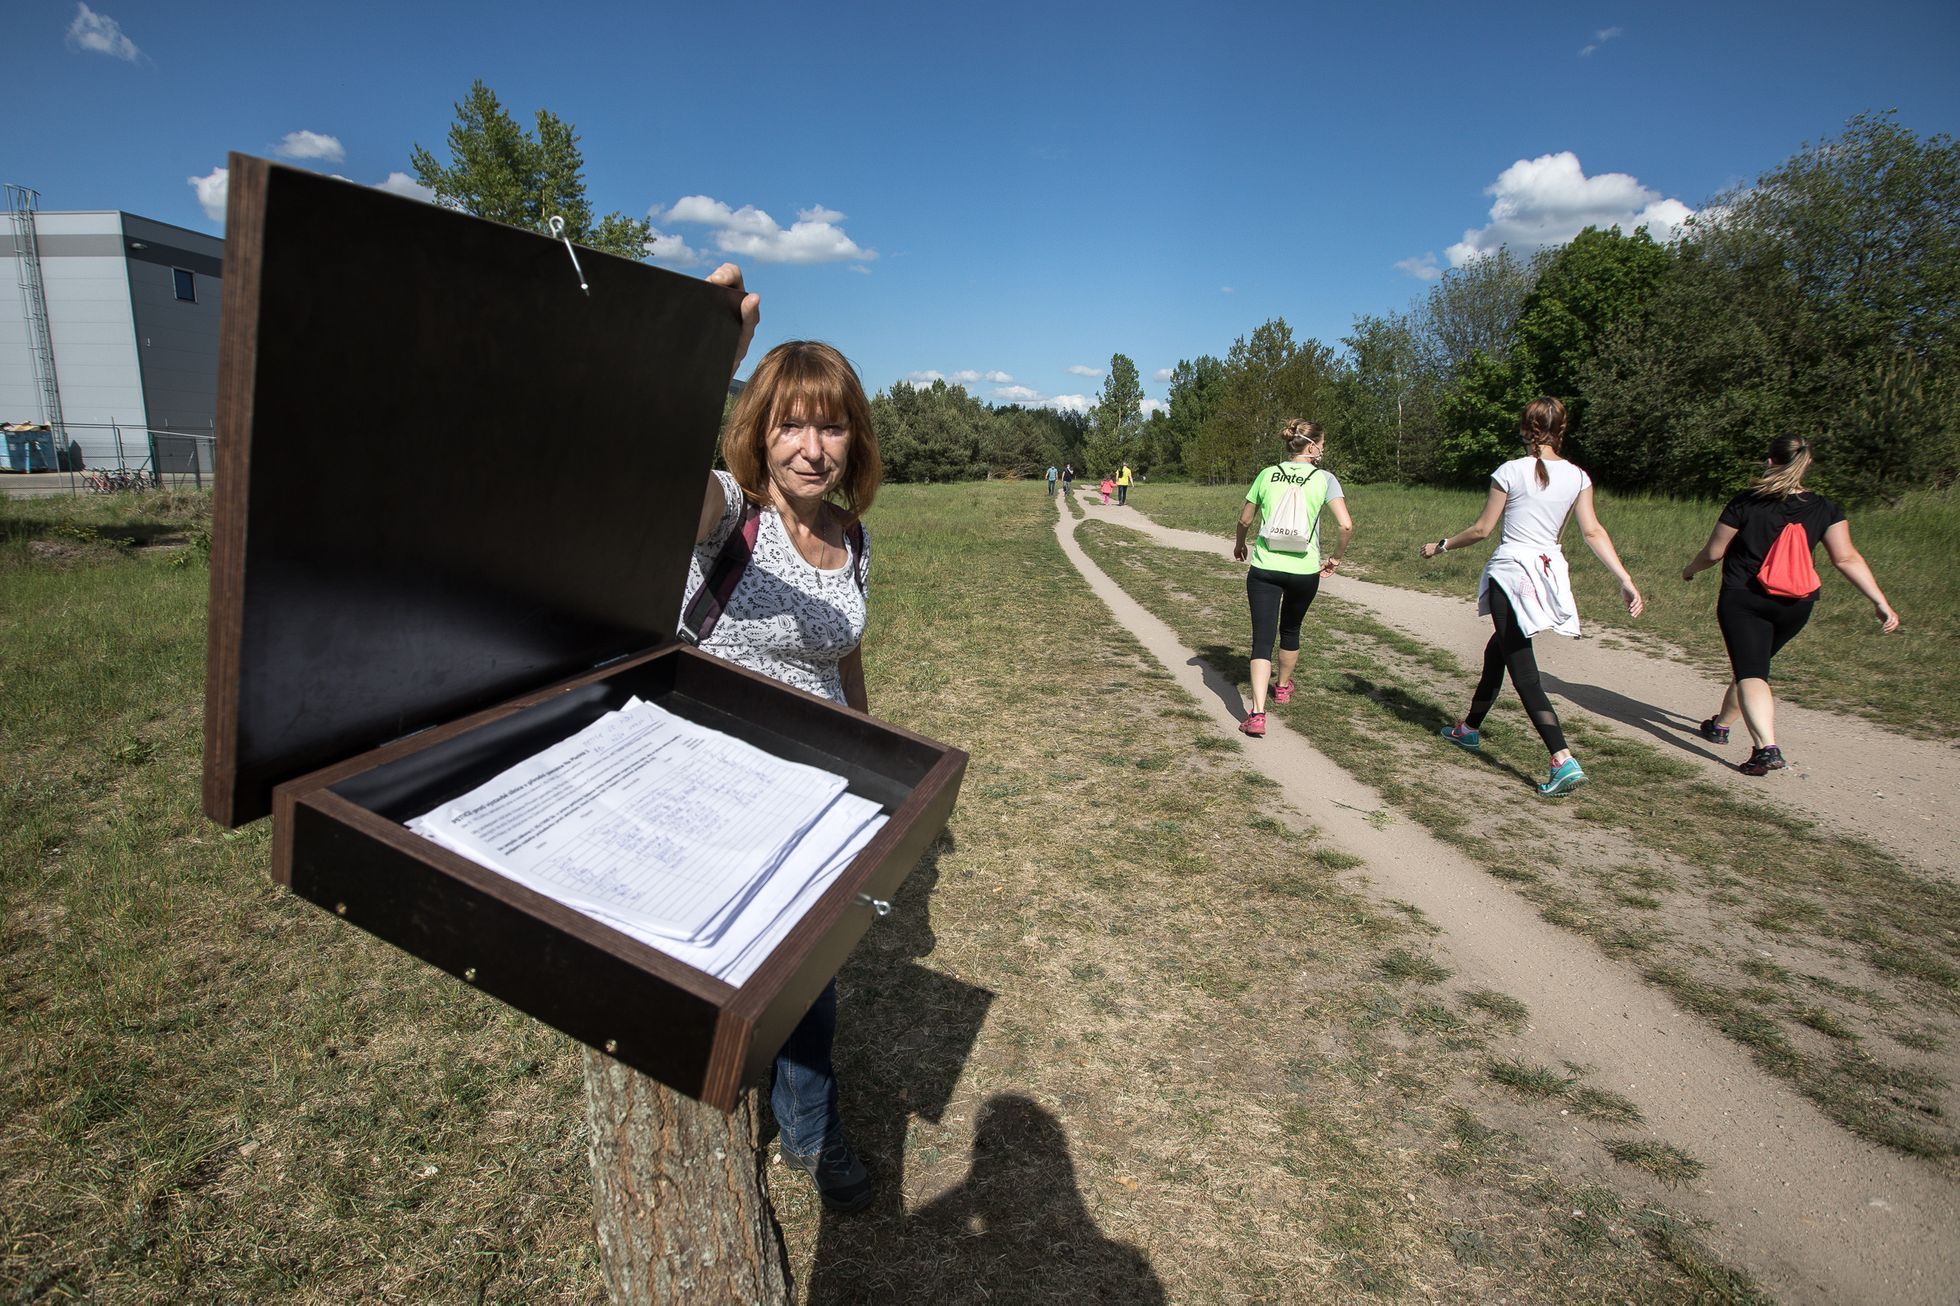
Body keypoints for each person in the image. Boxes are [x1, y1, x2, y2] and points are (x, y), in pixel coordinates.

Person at [684, 266, 882, 1212]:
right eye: (790, 424)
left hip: (817, 785)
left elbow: (845, 657)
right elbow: (661, 469)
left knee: (810, 970)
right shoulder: (727, 511)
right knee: (720, 964)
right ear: (758, 426)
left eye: (831, 425)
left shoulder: (853, 535)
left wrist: (874, 752)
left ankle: (808, 1130)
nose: (810, 447)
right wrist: (714, 348)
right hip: (710, 774)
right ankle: (724, 1110)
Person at [1420, 397, 1642, 796]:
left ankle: (1561, 758)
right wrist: (1624, 578)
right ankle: (1469, 729)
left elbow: (1483, 530)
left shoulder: (1510, 471)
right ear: (1562, 430)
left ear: (1526, 428)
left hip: (1513, 576)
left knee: (1522, 670)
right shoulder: (1578, 476)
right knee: (1498, 652)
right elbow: (1593, 532)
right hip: (1546, 576)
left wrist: (1441, 545)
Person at [1680, 434, 1899, 775]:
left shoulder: (1747, 502)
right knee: (1753, 665)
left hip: (1746, 599)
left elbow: (1714, 552)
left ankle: (1766, 748)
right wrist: (1880, 601)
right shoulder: (1825, 508)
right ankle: (1720, 726)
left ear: (1769, 462)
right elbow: (1847, 558)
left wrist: (1690, 570)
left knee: (1752, 672)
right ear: (1806, 464)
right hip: (1796, 605)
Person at [1232, 419, 1352, 737]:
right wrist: (1335, 558)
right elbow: (1346, 526)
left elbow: (1245, 518)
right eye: (1322, 444)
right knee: (1291, 628)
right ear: (1311, 446)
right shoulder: (1325, 479)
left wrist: (1239, 543)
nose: (1323, 450)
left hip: (1265, 568)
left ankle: (1257, 714)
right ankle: (1283, 687)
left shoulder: (1267, 474)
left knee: (1262, 639)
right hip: (1304, 570)